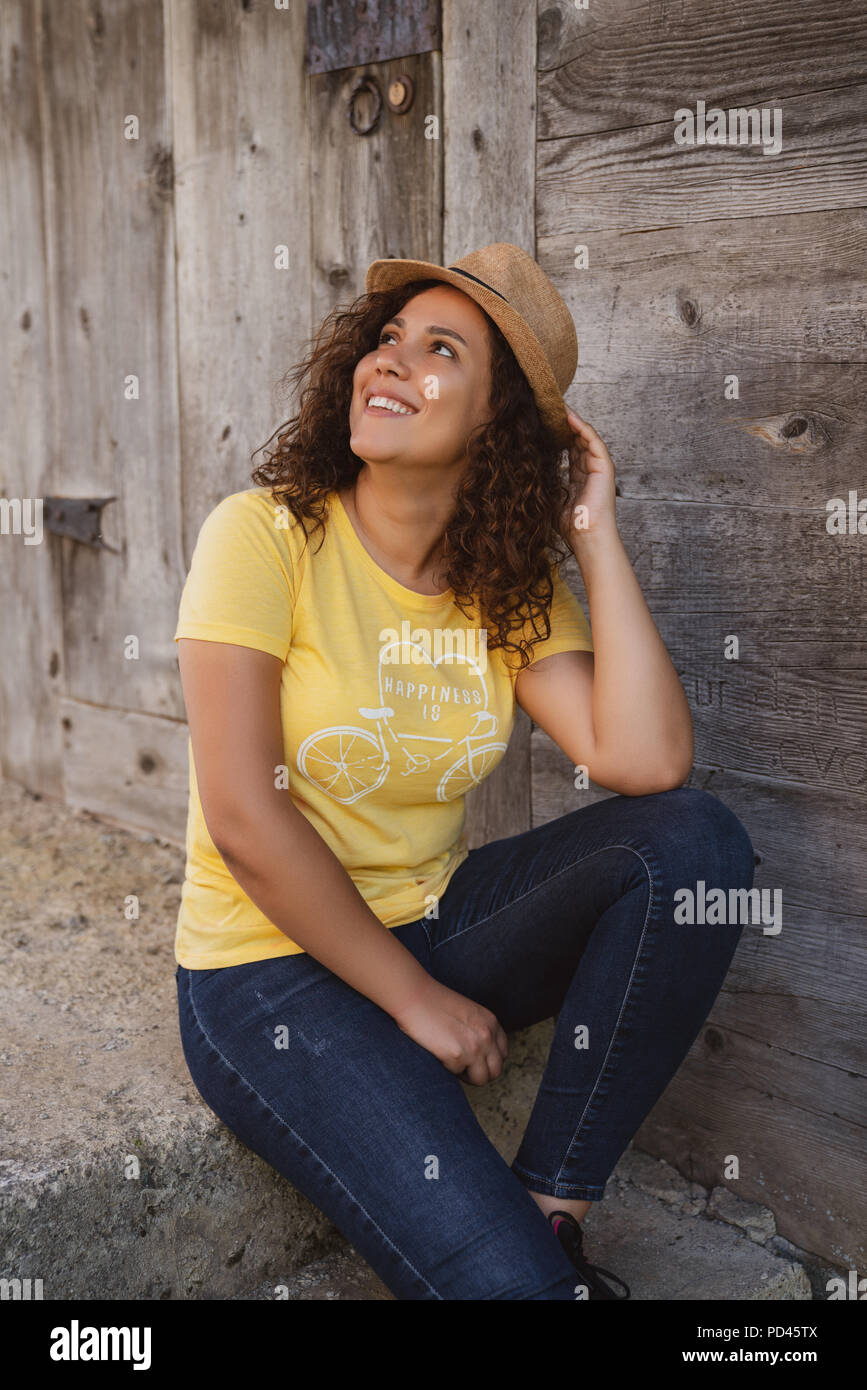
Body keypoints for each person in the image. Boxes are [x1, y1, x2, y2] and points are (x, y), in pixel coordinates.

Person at [173, 243, 755, 1301]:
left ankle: (553, 1207)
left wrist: (591, 535)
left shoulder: (503, 586)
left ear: (494, 426)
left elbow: (649, 759)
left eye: (440, 350)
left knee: (695, 843)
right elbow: (246, 817)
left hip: (433, 918)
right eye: (387, 339)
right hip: (265, 973)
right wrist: (414, 1001)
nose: (390, 362)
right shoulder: (264, 538)